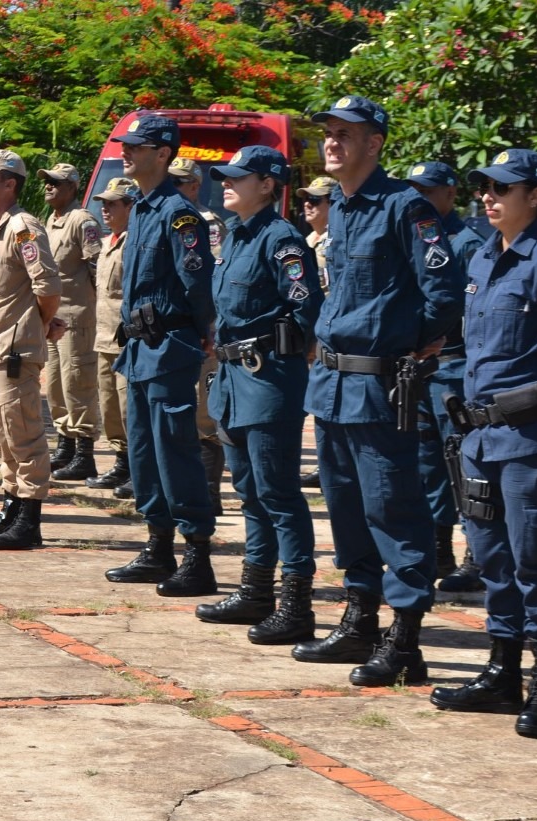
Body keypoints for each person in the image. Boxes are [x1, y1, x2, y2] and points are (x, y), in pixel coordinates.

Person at [290, 95, 464, 687]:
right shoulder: (339, 207)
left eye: (346, 133)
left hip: (381, 385)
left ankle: (405, 641)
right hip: (333, 382)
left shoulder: (405, 207)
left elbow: (442, 292)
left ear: (375, 143)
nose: (332, 141)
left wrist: (413, 345)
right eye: (329, 132)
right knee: (345, 510)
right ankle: (359, 622)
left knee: (395, 510)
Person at [428, 147, 537, 738]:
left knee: (534, 562)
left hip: (528, 441)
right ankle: (501, 673)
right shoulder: (479, 259)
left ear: (536, 196)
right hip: (477, 439)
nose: (488, 198)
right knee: (493, 560)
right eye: (484, 189)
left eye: (503, 188)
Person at [192, 146, 324, 644]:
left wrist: (275, 354)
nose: (225, 183)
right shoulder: (236, 236)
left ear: (267, 184)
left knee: (279, 495)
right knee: (248, 492)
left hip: (267, 382)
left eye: (237, 177)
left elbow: (303, 311)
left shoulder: (282, 240)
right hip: (232, 383)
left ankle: (295, 607)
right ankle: (255, 591)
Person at [102, 114, 218, 597]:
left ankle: (197, 556)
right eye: (126, 145)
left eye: (137, 146)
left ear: (163, 153)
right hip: (139, 349)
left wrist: (205, 331)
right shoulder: (143, 209)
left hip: (170, 348)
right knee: (144, 454)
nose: (126, 152)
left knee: (175, 452)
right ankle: (158, 547)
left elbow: (197, 282)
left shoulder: (178, 213)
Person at [0, 149, 63, 548]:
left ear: (10, 184)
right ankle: (11, 506)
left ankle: (30, 520)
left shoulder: (23, 227)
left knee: (23, 433)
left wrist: (36, 327)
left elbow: (48, 288)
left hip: (14, 348)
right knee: (2, 432)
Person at [404, 161, 487, 593]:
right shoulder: (415, 235)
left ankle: (477, 555)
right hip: (421, 366)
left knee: (461, 461)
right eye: (414, 189)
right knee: (425, 464)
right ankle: (438, 548)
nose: (419, 197)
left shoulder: (467, 243)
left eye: (428, 190)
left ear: (451, 194)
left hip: (454, 365)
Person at [38, 163, 103, 482]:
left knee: (78, 384)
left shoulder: (82, 220)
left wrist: (95, 307)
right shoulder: (50, 220)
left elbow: (96, 267)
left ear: (72, 188)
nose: (48, 187)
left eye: (56, 183)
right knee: (54, 386)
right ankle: (65, 446)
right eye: (47, 182)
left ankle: (84, 454)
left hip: (78, 318)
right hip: (54, 318)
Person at [170, 156, 227, 515]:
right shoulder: (166, 215)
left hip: (202, 328)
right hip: (176, 329)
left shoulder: (207, 222)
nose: (172, 188)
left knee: (204, 414)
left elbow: (210, 275)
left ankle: (210, 493)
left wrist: (206, 324)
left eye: (179, 182)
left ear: (194, 185)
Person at [87, 177, 139, 494]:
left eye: (113, 203)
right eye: (103, 203)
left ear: (131, 206)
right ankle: (122, 464)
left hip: (126, 340)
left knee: (128, 409)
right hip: (103, 337)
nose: (105, 209)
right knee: (109, 408)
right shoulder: (108, 242)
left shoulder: (135, 242)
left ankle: (139, 468)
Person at [294, 175, 337, 491]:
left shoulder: (335, 242)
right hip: (313, 336)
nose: (307, 204)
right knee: (318, 405)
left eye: (316, 199)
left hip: (330, 336)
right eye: (305, 199)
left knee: (329, 403)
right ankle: (324, 464)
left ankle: (331, 467)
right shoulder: (307, 242)